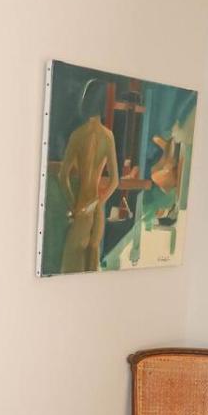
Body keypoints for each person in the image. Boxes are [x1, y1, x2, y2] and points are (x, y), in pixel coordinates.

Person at [58, 79, 120, 272]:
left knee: (70, 269)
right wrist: (99, 202)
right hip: (97, 210)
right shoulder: (108, 136)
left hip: (81, 208)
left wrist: (73, 205)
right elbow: (114, 181)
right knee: (91, 268)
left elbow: (63, 177)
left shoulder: (78, 135)